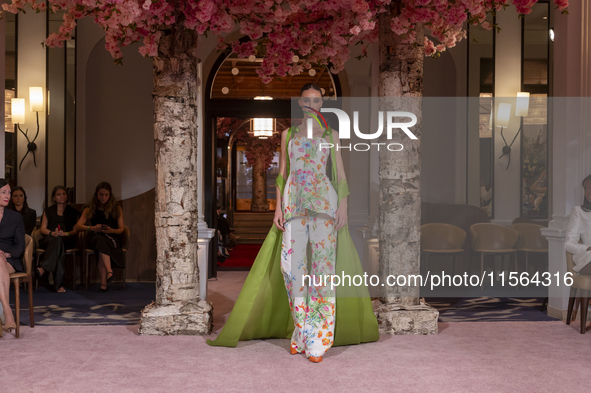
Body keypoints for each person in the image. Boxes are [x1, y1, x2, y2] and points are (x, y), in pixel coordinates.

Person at [207, 84, 379, 362]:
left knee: (322, 272)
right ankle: (301, 332)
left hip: (325, 205)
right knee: (292, 270)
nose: (312, 103)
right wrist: (277, 208)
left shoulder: (331, 134)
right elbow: (282, 174)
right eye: (307, 100)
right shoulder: (287, 134)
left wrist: (344, 204)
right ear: (300, 103)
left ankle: (319, 341)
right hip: (293, 205)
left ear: (322, 104)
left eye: (317, 100)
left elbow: (340, 173)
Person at [74, 182, 125, 292]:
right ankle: (109, 271)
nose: (103, 197)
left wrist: (112, 230)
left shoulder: (116, 208)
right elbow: (78, 226)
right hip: (95, 236)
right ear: (96, 194)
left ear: (110, 195)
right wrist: (92, 228)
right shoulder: (89, 208)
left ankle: (104, 281)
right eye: (101, 194)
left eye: (106, 195)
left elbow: (121, 228)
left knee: (101, 246)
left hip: (112, 237)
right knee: (99, 240)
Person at [36, 186, 80, 293]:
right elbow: (43, 229)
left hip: (67, 239)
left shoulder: (73, 212)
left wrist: (65, 233)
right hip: (49, 239)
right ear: (54, 198)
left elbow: (76, 230)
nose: (61, 196)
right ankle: (58, 285)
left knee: (59, 243)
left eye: (63, 194)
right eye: (58, 194)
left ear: (67, 196)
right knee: (57, 242)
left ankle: (43, 268)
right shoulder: (48, 210)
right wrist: (53, 233)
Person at [0, 179, 25, 334]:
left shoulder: (16, 217)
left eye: (9, 192)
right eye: (4, 192)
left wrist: (7, 254)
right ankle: (8, 313)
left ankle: (7, 314)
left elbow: (20, 245)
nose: (8, 196)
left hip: (10, 259)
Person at [565, 174, 591, 274]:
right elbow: (569, 243)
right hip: (587, 257)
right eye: (586, 188)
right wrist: (587, 248)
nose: (589, 192)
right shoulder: (578, 211)